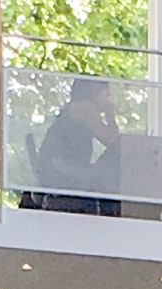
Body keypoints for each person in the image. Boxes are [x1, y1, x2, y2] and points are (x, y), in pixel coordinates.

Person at [27, 73, 118, 215]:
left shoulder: (72, 108)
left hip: (58, 169)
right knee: (109, 173)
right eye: (106, 95)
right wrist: (110, 115)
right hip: (65, 171)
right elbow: (111, 140)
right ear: (94, 91)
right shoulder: (86, 109)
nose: (108, 99)